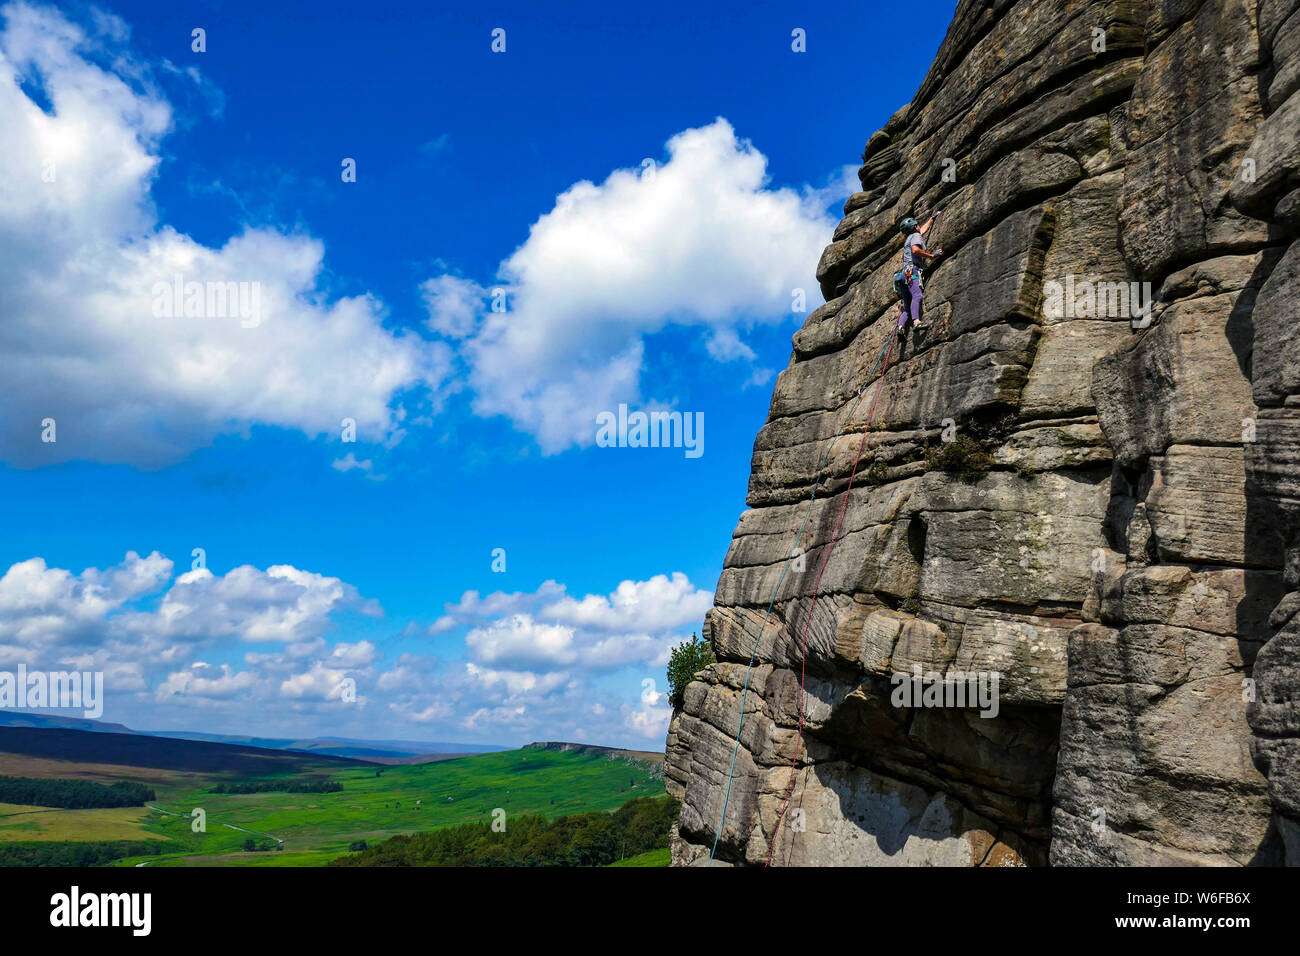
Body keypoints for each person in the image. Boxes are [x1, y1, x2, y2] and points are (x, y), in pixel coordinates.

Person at [896, 212, 942, 329]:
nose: (919, 226)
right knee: (917, 296)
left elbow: (923, 230)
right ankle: (916, 322)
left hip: (903, 275)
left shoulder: (910, 237)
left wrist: (932, 218)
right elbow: (916, 250)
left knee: (907, 307)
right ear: (914, 227)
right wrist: (931, 256)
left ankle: (900, 327)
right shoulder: (916, 237)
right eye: (917, 225)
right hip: (913, 272)